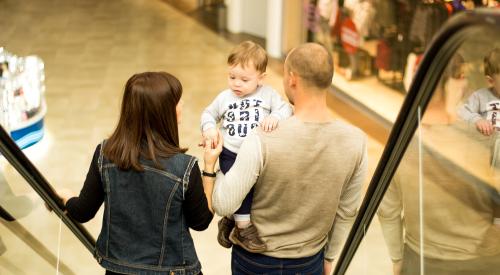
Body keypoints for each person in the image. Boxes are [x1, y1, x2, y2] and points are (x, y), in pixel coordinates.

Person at [204, 43, 368, 274]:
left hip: (255, 261)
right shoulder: (356, 141)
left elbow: (224, 203)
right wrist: (329, 258)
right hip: (309, 261)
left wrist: (213, 161)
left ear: (292, 79)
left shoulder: (261, 138)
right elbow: (346, 211)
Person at [58, 72, 215, 275]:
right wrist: (209, 169)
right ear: (162, 112)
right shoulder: (184, 167)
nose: (182, 103)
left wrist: (64, 198)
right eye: (176, 100)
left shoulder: (105, 154)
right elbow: (201, 222)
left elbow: (82, 211)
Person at [377, 93, 500, 275]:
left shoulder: (399, 145)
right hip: (483, 260)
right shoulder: (489, 138)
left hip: (422, 259)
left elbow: (388, 211)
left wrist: (397, 259)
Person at [200, 40, 293, 252]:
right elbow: (208, 114)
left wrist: (276, 117)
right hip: (231, 153)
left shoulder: (267, 95)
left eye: (244, 79)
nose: (236, 84)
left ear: (261, 78)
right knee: (242, 188)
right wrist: (209, 129)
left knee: (259, 187)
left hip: (257, 154)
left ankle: (229, 221)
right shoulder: (224, 98)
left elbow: (286, 109)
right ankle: (242, 227)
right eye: (232, 77)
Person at [458, 48, 500, 136]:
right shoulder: (480, 96)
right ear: (491, 81)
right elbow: (463, 111)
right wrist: (477, 120)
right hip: (487, 145)